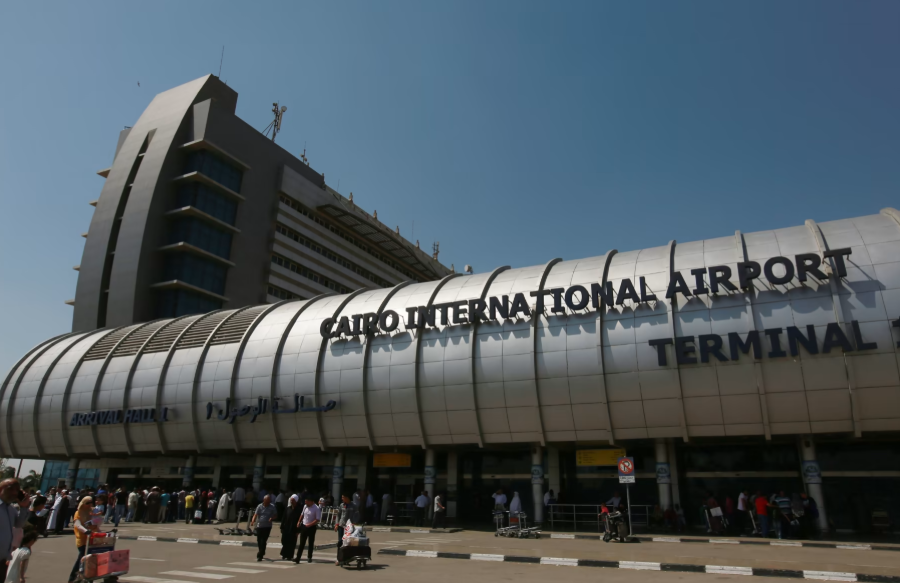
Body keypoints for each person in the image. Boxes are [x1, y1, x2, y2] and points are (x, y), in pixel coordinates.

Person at [0, 479, 31, 582]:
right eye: (11, 489)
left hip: (3, 560)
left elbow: (19, 524)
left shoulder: (11, 509)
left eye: (17, 490)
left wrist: (24, 507)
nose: (14, 493)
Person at [67, 496, 99, 583]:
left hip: (91, 538)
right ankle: (73, 578)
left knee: (90, 559)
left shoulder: (91, 512)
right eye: (87, 503)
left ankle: (88, 577)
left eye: (91, 502)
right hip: (82, 539)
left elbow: (96, 523)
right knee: (81, 559)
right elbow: (77, 525)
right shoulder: (78, 512)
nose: (89, 505)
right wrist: (85, 531)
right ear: (83, 504)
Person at [249, 495, 277, 562]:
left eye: (269, 501)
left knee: (263, 540)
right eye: (267, 501)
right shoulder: (259, 506)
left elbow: (276, 515)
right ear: (264, 500)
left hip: (267, 526)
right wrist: (252, 521)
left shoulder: (272, 506)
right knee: (259, 540)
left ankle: (260, 555)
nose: (268, 502)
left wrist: (272, 518)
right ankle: (262, 551)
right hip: (260, 526)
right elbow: (255, 514)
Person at [294, 495, 320, 564]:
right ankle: (298, 557)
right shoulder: (305, 506)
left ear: (311, 501)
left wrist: (310, 524)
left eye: (307, 501)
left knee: (310, 542)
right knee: (302, 543)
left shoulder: (316, 508)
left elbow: (317, 519)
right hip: (304, 526)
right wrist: (299, 521)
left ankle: (309, 557)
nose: (305, 503)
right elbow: (302, 514)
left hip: (311, 527)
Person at [334, 493, 354, 564]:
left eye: (343, 497)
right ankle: (338, 559)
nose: (342, 498)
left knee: (348, 543)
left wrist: (354, 522)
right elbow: (338, 515)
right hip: (341, 526)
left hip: (349, 527)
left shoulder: (353, 505)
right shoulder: (341, 505)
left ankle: (346, 559)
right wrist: (336, 524)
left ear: (347, 497)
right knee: (340, 541)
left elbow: (357, 515)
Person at [281, 495, 302, 560]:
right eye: (291, 500)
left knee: (292, 542)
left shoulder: (299, 510)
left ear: (296, 501)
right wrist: (282, 527)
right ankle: (284, 554)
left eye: (293, 500)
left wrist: (298, 531)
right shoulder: (288, 508)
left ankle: (289, 556)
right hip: (286, 528)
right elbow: (284, 518)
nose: (291, 501)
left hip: (294, 529)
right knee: (284, 541)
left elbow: (300, 520)